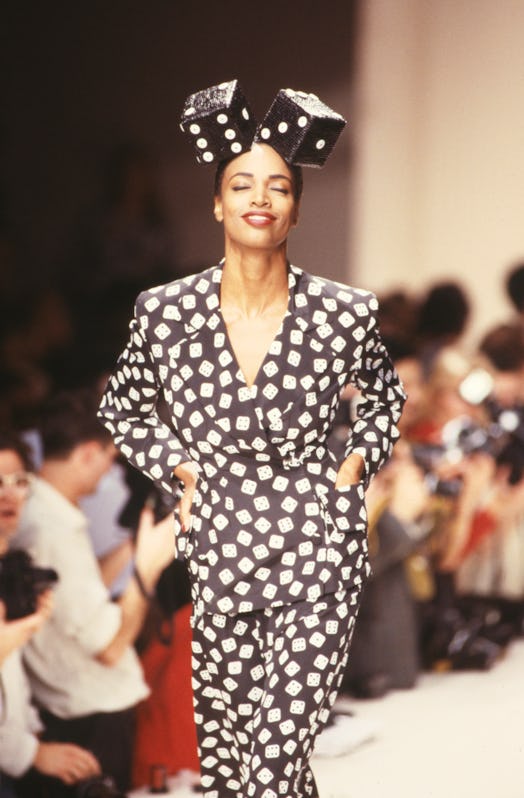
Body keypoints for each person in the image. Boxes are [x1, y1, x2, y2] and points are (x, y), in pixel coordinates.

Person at [98, 81, 406, 798]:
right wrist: (181, 469)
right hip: (219, 551)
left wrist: (352, 471)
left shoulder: (343, 311)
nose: (259, 197)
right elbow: (124, 408)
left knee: (273, 761)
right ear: (217, 203)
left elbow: (384, 399)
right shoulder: (165, 311)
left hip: (316, 545)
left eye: (277, 186)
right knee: (242, 775)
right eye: (242, 184)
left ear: (295, 208)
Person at [13, 390, 176, 795]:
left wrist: (135, 545)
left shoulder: (43, 513)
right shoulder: (52, 532)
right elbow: (110, 646)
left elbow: (76, 592)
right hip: (90, 722)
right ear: (88, 452)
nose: (112, 473)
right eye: (111, 457)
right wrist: (147, 569)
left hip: (74, 715)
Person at [0, 430, 101, 798]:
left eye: (18, 481)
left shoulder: (10, 569)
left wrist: (32, 734)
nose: (9, 494)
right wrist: (31, 753)